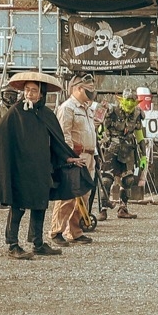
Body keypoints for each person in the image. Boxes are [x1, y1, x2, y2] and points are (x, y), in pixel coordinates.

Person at [0, 71, 77, 259]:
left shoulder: (47, 114)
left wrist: (68, 158)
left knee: (40, 205)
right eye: (26, 90)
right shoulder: (16, 112)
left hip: (40, 168)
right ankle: (13, 244)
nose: (29, 94)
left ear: (41, 94)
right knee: (18, 207)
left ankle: (37, 243)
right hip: (20, 168)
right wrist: (8, 157)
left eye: (33, 90)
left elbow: (57, 140)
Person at [53, 74, 99, 245]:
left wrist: (95, 155)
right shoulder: (67, 108)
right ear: (78, 88)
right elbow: (63, 134)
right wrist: (69, 157)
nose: (92, 92)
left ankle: (75, 231)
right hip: (75, 157)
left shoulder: (87, 108)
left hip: (89, 156)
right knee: (68, 196)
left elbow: (91, 132)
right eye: (88, 89)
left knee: (84, 195)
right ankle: (56, 231)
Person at [101, 89, 147, 217]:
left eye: (133, 101)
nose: (130, 104)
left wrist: (144, 156)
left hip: (128, 149)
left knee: (128, 179)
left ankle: (123, 208)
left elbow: (140, 136)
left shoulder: (137, 114)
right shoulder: (112, 111)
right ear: (122, 100)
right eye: (128, 101)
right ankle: (103, 209)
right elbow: (101, 129)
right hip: (111, 147)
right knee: (106, 180)